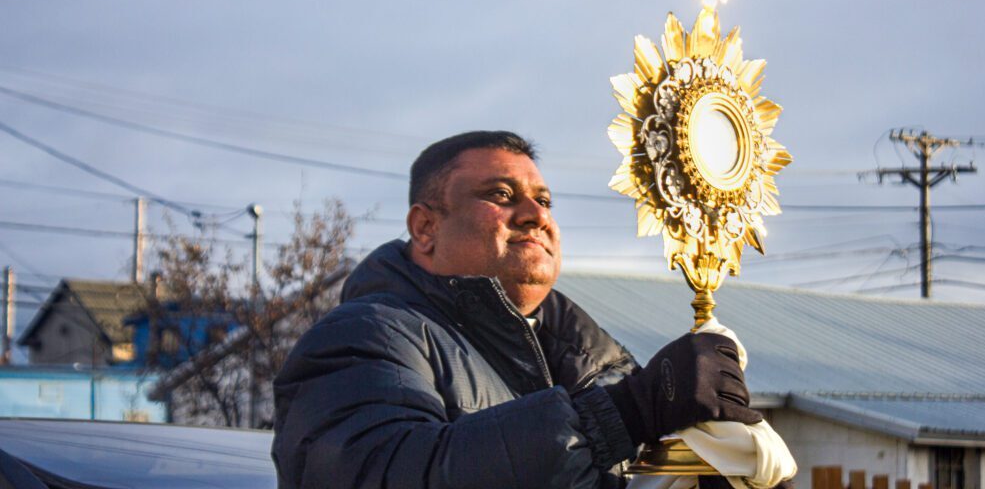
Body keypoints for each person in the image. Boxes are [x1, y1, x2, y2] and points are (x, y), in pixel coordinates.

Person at [272, 131, 762, 489]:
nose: (537, 214)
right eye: (500, 195)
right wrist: (619, 416)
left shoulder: (598, 366)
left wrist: (723, 469)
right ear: (425, 228)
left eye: (544, 200)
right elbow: (380, 473)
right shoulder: (365, 336)